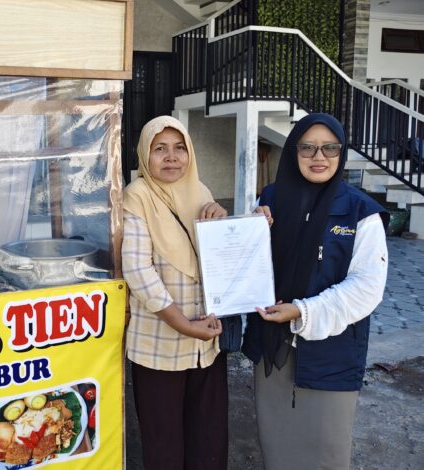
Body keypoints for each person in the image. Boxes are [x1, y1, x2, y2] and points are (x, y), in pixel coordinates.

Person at [243, 113, 389, 469]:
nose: (318, 156)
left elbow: (367, 288)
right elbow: (249, 268)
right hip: (273, 350)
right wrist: (251, 229)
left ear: (342, 153)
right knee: (277, 447)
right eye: (307, 147)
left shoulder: (361, 212)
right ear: (293, 151)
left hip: (331, 354)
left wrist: (303, 311)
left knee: (326, 451)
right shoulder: (272, 198)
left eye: (329, 148)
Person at [123, 115, 228, 470]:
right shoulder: (137, 196)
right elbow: (138, 271)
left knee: (207, 436)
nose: (171, 157)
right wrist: (184, 325)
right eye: (160, 149)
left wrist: (221, 221)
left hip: (205, 343)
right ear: (145, 154)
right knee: (164, 442)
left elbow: (217, 259)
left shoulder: (201, 192)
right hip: (160, 345)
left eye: (179, 148)